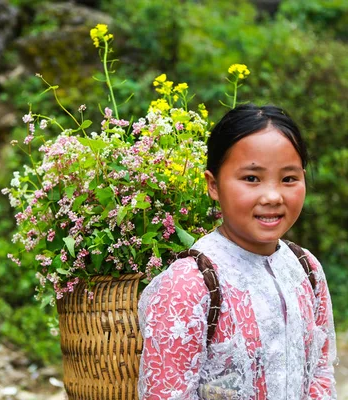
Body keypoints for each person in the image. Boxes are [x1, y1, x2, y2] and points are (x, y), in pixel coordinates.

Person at [137, 104, 337, 399]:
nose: (272, 196)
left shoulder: (306, 269)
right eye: (252, 179)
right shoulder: (189, 285)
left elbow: (320, 371)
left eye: (289, 178)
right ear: (214, 185)